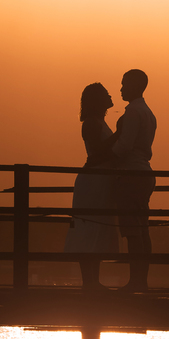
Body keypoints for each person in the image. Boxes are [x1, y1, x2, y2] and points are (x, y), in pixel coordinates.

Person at [64, 83, 120, 289]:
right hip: (93, 183)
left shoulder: (99, 122)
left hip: (101, 182)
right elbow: (95, 154)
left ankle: (93, 281)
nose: (110, 95)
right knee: (88, 229)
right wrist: (119, 134)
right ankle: (89, 281)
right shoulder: (90, 123)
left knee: (97, 229)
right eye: (105, 93)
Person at [111, 69, 156, 291]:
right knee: (142, 228)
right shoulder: (148, 112)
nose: (120, 89)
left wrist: (105, 157)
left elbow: (124, 146)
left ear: (134, 86)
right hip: (144, 172)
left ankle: (135, 281)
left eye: (124, 84)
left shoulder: (132, 113)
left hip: (131, 173)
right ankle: (141, 280)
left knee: (132, 230)